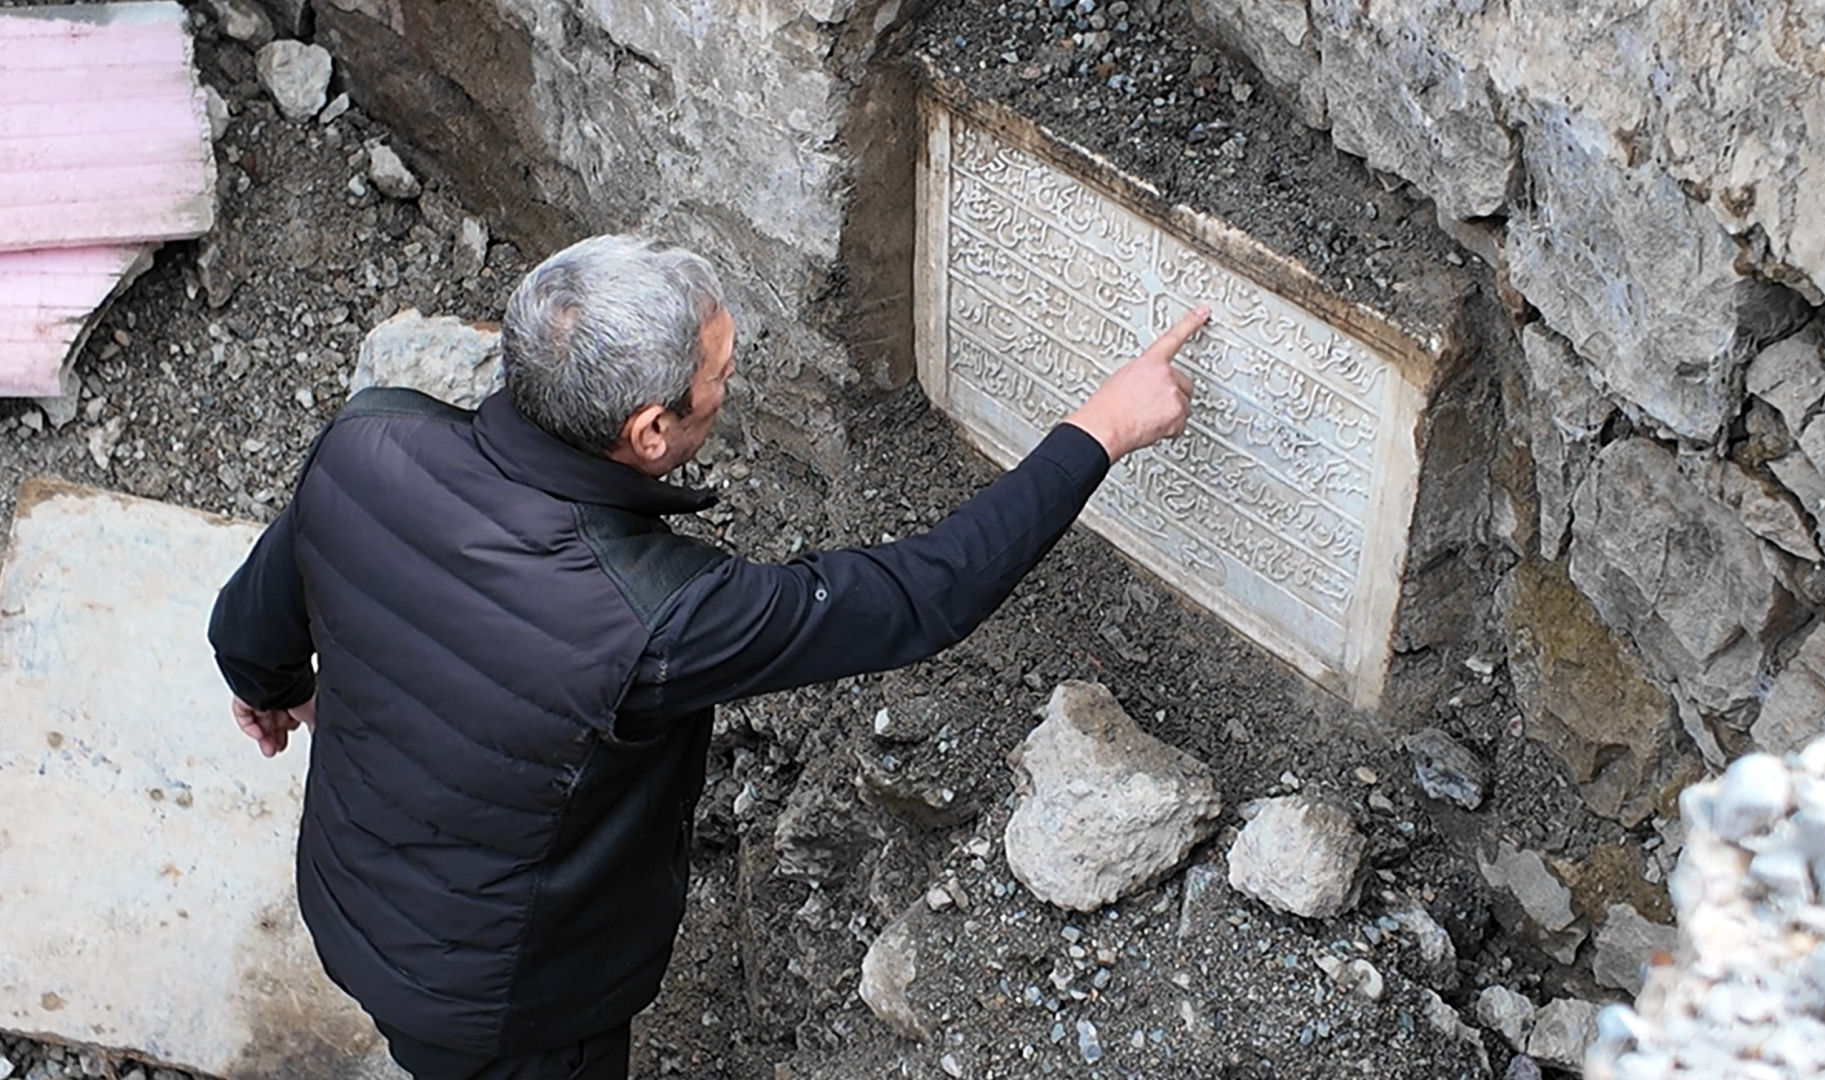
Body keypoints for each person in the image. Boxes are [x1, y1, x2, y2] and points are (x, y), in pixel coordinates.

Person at [208, 233, 1209, 1080]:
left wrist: (271, 689)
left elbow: (246, 628)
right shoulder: (654, 614)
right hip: (508, 1007)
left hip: (351, 907)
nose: (731, 388)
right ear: (650, 429)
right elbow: (924, 596)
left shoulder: (369, 441)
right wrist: (1104, 427)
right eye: (720, 380)